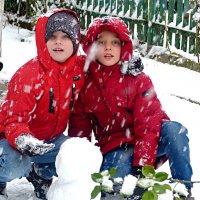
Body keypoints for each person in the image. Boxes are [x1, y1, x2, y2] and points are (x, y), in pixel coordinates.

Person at [68, 16, 193, 199]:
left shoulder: (138, 79)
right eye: (101, 42)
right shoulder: (86, 82)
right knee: (112, 190)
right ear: (92, 47)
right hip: (115, 146)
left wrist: (142, 166)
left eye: (115, 42)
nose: (108, 47)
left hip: (151, 139)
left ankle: (183, 189)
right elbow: (80, 124)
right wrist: (80, 163)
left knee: (175, 131)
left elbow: (149, 125)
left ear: (124, 46)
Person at [0, 9, 84, 200]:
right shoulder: (29, 74)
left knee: (73, 156)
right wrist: (23, 139)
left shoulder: (78, 71)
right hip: (11, 140)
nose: (58, 42)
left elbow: (104, 62)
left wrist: (126, 62)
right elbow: (13, 120)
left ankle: (41, 173)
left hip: (49, 141)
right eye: (52, 36)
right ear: (43, 40)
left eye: (65, 36)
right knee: (15, 164)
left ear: (75, 41)